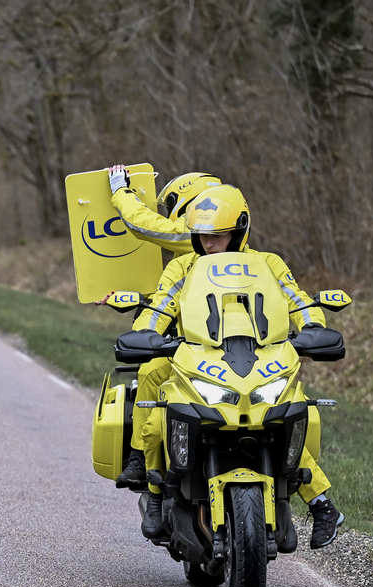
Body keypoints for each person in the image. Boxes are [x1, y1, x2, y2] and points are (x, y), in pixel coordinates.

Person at [133, 184, 344, 550]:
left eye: (217, 235)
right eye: (201, 235)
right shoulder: (183, 266)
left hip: (260, 361)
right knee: (157, 418)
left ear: (240, 229)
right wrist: (144, 334)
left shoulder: (268, 263)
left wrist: (312, 327)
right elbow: (160, 307)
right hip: (197, 359)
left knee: (287, 413)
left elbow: (297, 299)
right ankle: (156, 494)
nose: (208, 243)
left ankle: (321, 504)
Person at [105, 167, 223, 490]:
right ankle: (141, 459)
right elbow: (168, 296)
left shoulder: (198, 234)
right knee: (150, 372)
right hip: (193, 345)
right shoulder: (203, 249)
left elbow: (145, 225)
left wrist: (119, 191)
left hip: (233, 348)